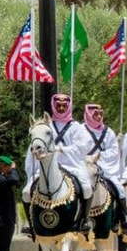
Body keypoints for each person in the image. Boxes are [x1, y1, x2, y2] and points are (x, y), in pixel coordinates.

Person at [22, 92, 94, 233]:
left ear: (68, 106)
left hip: (71, 165)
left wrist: (61, 149)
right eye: (58, 105)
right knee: (25, 192)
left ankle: (83, 220)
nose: (61, 108)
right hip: (48, 166)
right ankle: (31, 225)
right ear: (54, 106)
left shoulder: (76, 127)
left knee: (86, 189)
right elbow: (35, 145)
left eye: (64, 105)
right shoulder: (46, 126)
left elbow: (82, 147)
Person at [81, 103, 127, 230]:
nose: (98, 116)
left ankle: (123, 219)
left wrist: (98, 157)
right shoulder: (79, 130)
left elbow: (113, 151)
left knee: (120, 189)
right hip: (84, 165)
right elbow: (76, 148)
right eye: (95, 114)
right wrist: (87, 158)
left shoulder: (108, 132)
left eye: (100, 114)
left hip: (104, 166)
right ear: (89, 114)